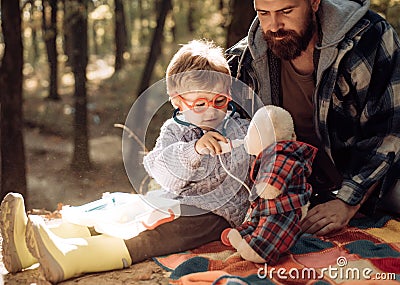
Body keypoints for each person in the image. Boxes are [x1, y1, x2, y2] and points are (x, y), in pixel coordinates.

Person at [0, 39, 252, 283]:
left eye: (220, 100)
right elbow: (163, 172)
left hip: (217, 214)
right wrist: (193, 151)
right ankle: (26, 246)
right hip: (175, 199)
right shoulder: (174, 130)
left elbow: (254, 161)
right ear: (177, 102)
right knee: (127, 213)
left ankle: (73, 258)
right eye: (199, 104)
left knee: (158, 235)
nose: (212, 110)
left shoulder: (239, 128)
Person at [226, 0, 400, 236]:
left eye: (286, 11)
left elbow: (389, 130)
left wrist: (347, 202)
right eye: (264, 13)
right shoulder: (246, 60)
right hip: (300, 187)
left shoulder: (368, 38)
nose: (275, 25)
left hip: (382, 175)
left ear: (315, 3)